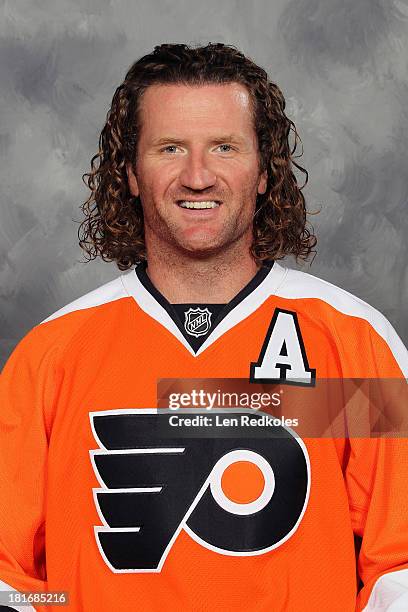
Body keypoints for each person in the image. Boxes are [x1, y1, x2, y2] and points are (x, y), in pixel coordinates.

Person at [0, 42, 407, 612]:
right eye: (170, 148)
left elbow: (400, 562)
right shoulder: (51, 355)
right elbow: (7, 571)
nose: (198, 176)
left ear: (265, 171)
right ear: (131, 174)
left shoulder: (354, 342)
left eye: (224, 147)